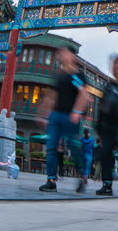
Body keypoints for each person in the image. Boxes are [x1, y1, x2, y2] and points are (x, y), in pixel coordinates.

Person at [38, 46, 89, 193]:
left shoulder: (77, 76)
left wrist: (77, 111)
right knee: (52, 147)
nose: (62, 55)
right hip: (56, 116)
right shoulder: (59, 76)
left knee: (73, 147)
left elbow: (83, 95)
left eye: (65, 53)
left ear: (73, 56)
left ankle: (81, 175)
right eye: (60, 53)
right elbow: (52, 96)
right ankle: (51, 180)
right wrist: (45, 115)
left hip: (70, 116)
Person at [95, 54, 118, 196]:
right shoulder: (108, 86)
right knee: (106, 154)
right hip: (107, 126)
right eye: (112, 64)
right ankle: (107, 184)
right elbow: (101, 107)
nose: (114, 66)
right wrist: (98, 128)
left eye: (116, 63)